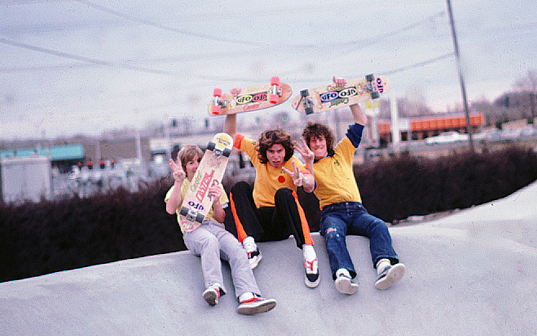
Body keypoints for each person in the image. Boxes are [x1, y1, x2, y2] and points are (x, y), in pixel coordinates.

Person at [296, 77, 405, 295]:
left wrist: (349, 95)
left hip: (356, 210)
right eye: (313, 142)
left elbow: (361, 120)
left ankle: (384, 265)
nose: (317, 144)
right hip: (332, 213)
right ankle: (343, 274)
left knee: (378, 225)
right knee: (333, 235)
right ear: (309, 145)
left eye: (320, 140)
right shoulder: (307, 164)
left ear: (327, 141)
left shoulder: (342, 152)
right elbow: (309, 186)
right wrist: (308, 163)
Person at [165, 144, 276, 315]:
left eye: (199, 162)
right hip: (193, 231)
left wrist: (216, 200)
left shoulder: (213, 184)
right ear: (185, 167)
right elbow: (171, 209)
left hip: (215, 226)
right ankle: (214, 286)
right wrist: (178, 182)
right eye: (191, 163)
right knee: (210, 242)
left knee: (237, 249)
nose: (196, 166)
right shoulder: (181, 185)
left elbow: (221, 218)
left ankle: (247, 295)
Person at [223, 105, 321, 288]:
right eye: (271, 152)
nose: (275, 157)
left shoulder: (293, 163)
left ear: (286, 151)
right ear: (264, 152)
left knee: (284, 193)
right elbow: (229, 136)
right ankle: (250, 247)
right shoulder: (257, 154)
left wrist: (303, 177)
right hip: (259, 225)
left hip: (280, 225)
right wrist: (232, 109)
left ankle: (309, 254)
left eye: (279, 152)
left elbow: (310, 186)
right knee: (239, 187)